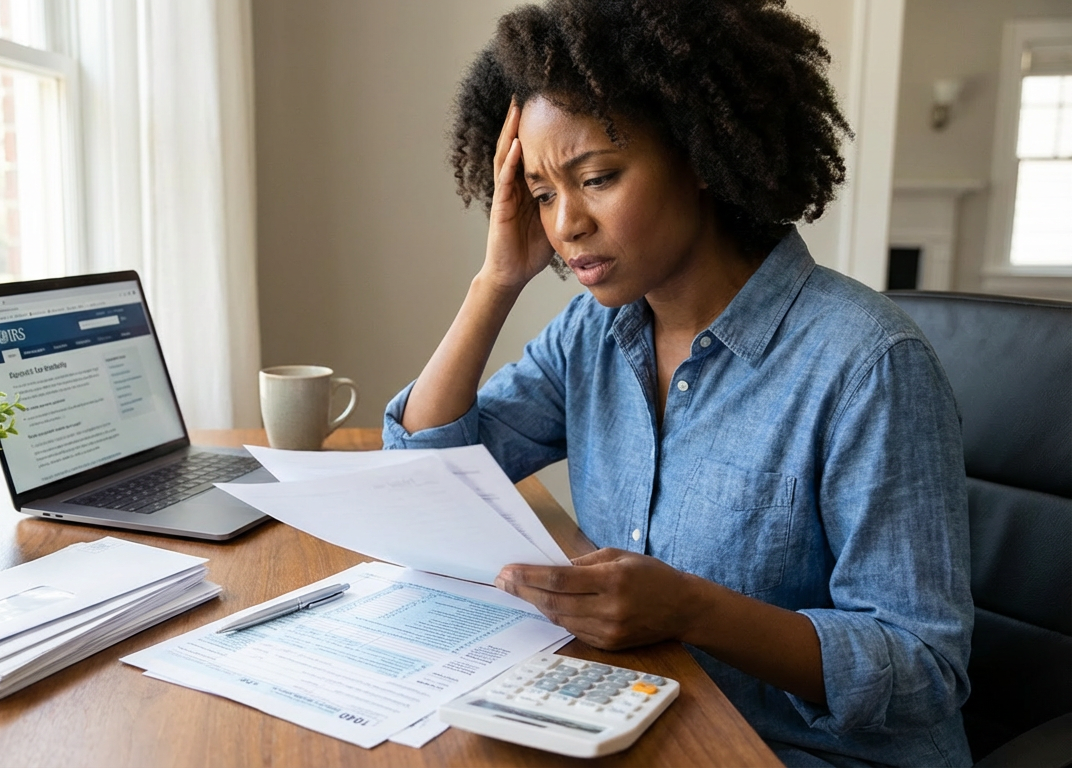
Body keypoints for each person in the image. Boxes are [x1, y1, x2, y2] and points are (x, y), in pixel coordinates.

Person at [381, 1, 973, 766]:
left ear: (698, 155)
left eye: (595, 178)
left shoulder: (868, 365)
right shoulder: (593, 334)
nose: (566, 225)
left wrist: (693, 609)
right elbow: (430, 472)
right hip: (646, 726)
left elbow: (923, 669)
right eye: (541, 194)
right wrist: (497, 280)